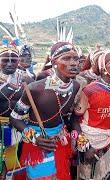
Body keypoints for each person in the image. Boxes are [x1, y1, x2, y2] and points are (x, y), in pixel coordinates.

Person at [10, 41, 81, 179]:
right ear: (53, 62)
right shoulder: (36, 89)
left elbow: (67, 116)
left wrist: (78, 135)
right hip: (39, 144)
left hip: (60, 142)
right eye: (66, 58)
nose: (73, 63)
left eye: (76, 59)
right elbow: (15, 118)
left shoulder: (75, 86)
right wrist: (35, 138)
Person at [75, 52, 110, 179]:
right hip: (90, 144)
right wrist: (86, 147)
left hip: (106, 141)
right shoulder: (90, 90)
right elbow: (74, 120)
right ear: (103, 69)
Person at [0, 45, 34, 179]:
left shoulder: (27, 78)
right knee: (3, 160)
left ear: (18, 61)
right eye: (5, 60)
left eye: (13, 60)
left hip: (22, 128)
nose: (9, 64)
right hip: (1, 129)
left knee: (19, 162)